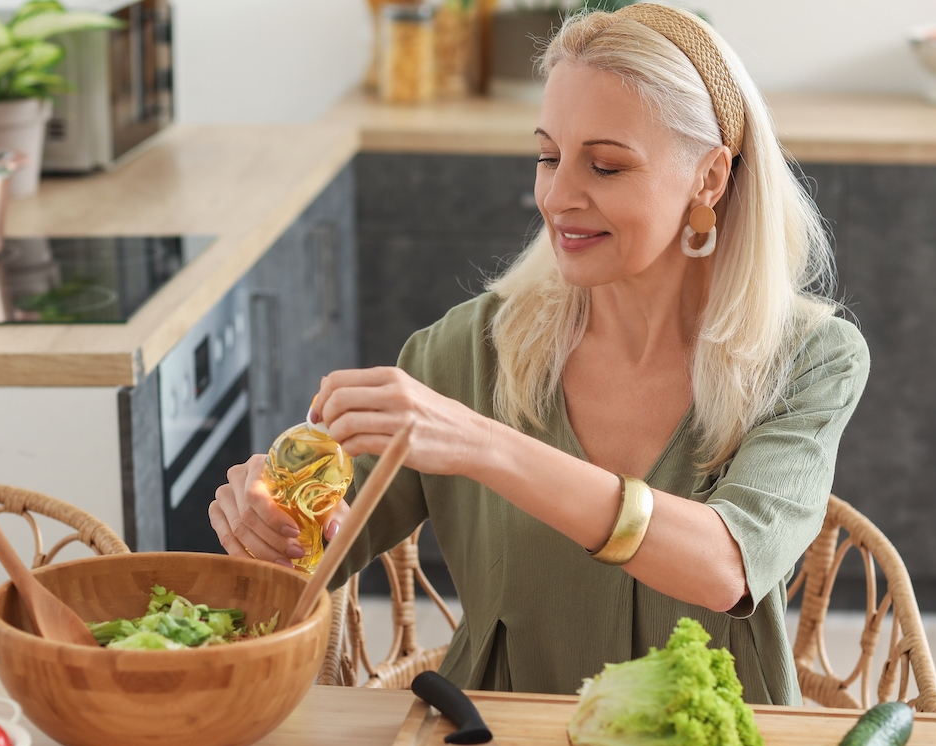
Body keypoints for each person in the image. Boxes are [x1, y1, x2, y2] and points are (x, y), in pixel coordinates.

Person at [208, 4, 868, 704]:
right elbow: (324, 543)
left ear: (709, 179)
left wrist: (483, 446)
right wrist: (273, 523)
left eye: (606, 166)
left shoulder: (809, 359)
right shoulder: (463, 351)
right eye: (548, 156)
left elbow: (725, 564)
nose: (558, 196)